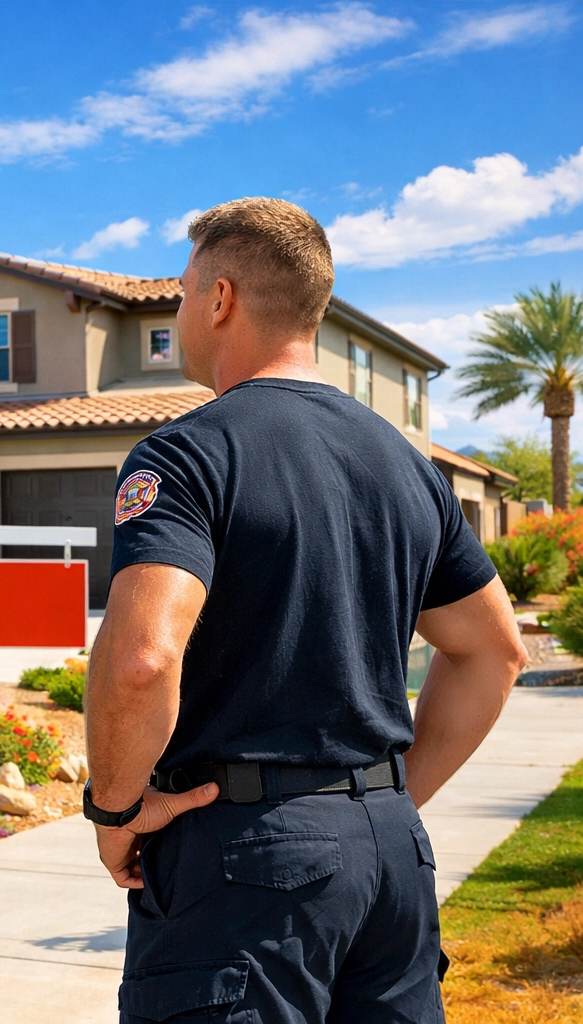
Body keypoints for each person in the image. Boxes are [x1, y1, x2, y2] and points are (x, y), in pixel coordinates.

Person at [80, 198, 528, 1023]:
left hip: (245, 865)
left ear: (220, 300)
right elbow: (494, 651)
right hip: (391, 864)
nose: (177, 313)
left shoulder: (188, 454)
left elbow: (144, 656)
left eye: (181, 294)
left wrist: (113, 807)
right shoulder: (408, 464)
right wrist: (388, 799)